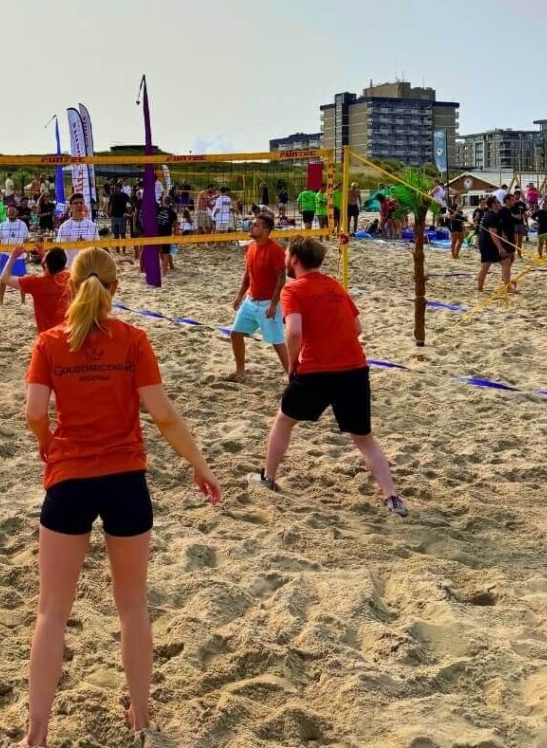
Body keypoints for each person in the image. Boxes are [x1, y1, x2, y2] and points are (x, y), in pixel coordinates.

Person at [21, 248, 222, 747]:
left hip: (69, 480)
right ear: (117, 288)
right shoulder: (133, 340)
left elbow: (33, 412)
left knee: (51, 612)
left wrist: (51, 448)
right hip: (125, 480)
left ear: (68, 285)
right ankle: (140, 717)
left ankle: (37, 733)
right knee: (132, 605)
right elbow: (164, 415)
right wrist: (200, 466)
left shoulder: (50, 342)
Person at [247, 236, 407, 517]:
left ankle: (267, 478)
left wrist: (292, 364)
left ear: (294, 259)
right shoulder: (335, 285)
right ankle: (392, 497)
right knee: (364, 438)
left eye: (287, 255)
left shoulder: (293, 289)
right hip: (354, 369)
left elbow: (294, 331)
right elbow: (357, 328)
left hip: (315, 371)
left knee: (284, 421)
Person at [228, 214, 289, 380]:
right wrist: (240, 295)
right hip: (251, 300)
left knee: (277, 342)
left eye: (255, 225)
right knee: (236, 333)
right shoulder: (250, 247)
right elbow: (248, 274)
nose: (251, 227)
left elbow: (281, 277)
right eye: (252, 224)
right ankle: (240, 371)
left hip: (268, 303)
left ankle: (291, 375)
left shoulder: (275, 250)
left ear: (266, 230)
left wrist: (274, 304)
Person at [0, 244, 70, 333]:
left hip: (47, 338)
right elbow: (56, 271)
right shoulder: (68, 277)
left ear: (46, 264)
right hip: (66, 334)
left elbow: (4, 278)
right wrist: (44, 256)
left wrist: (12, 257)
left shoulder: (36, 282)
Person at [0, 203, 30, 304]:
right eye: (9, 210)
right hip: (5, 255)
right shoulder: (2, 225)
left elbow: (27, 240)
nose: (11, 212)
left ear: (17, 212)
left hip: (19, 256)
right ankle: (1, 302)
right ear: (7, 212)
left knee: (21, 280)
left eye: (13, 210)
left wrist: (28, 254)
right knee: (2, 280)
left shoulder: (22, 224)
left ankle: (23, 302)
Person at [55, 193, 99, 265]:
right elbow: (60, 250)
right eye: (76, 203)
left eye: (81, 203)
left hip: (89, 267)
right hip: (71, 267)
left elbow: (97, 248)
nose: (79, 205)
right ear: (71, 206)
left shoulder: (91, 225)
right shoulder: (64, 226)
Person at [155, 195, 177, 275]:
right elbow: (175, 227)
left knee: (160, 250)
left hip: (157, 232)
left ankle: (164, 268)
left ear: (162, 201)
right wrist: (176, 237)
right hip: (166, 233)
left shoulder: (157, 209)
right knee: (166, 251)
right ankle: (164, 271)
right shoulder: (173, 213)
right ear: (170, 202)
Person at [509, 190, 529, 258]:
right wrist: (515, 216)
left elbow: (524, 214)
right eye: (516, 194)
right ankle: (512, 254)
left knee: (520, 240)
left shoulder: (522, 204)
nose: (517, 196)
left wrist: (527, 222)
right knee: (514, 240)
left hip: (521, 223)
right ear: (514, 195)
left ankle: (519, 254)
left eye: (518, 195)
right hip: (513, 224)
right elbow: (508, 213)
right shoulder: (511, 204)